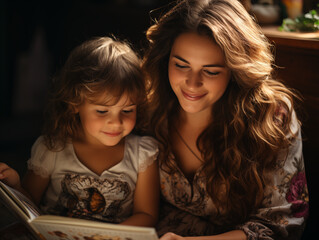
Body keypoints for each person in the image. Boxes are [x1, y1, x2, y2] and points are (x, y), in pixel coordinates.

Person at [142, 0, 308, 239]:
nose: (192, 83)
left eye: (210, 71)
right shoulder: (148, 106)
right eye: (180, 65)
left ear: (235, 70)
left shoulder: (272, 116)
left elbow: (282, 221)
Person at [0, 36, 159, 227]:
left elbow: (147, 215)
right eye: (102, 111)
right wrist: (16, 185)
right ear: (75, 103)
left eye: (127, 110)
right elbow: (30, 208)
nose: (116, 122)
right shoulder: (52, 149)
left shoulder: (143, 155)